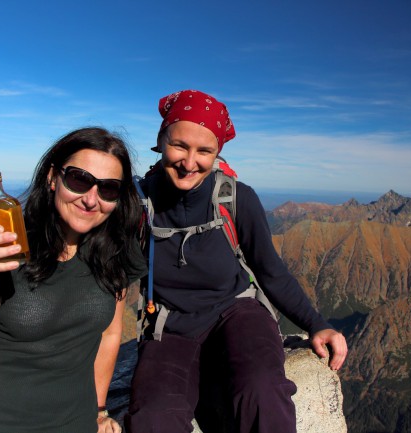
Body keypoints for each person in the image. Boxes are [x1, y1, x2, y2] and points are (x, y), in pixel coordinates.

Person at [124, 90, 348, 433]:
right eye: (179, 145)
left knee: (263, 392)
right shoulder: (138, 206)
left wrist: (316, 323)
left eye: (204, 151)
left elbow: (270, 271)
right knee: (154, 417)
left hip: (237, 313)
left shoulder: (236, 199)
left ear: (217, 154)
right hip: (169, 326)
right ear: (160, 141)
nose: (189, 162)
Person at [0, 127, 147, 433]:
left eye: (108, 188)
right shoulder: (13, 244)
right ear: (53, 177)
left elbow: (110, 334)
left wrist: (98, 410)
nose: (91, 199)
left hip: (72, 421)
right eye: (79, 180)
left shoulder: (117, 250)